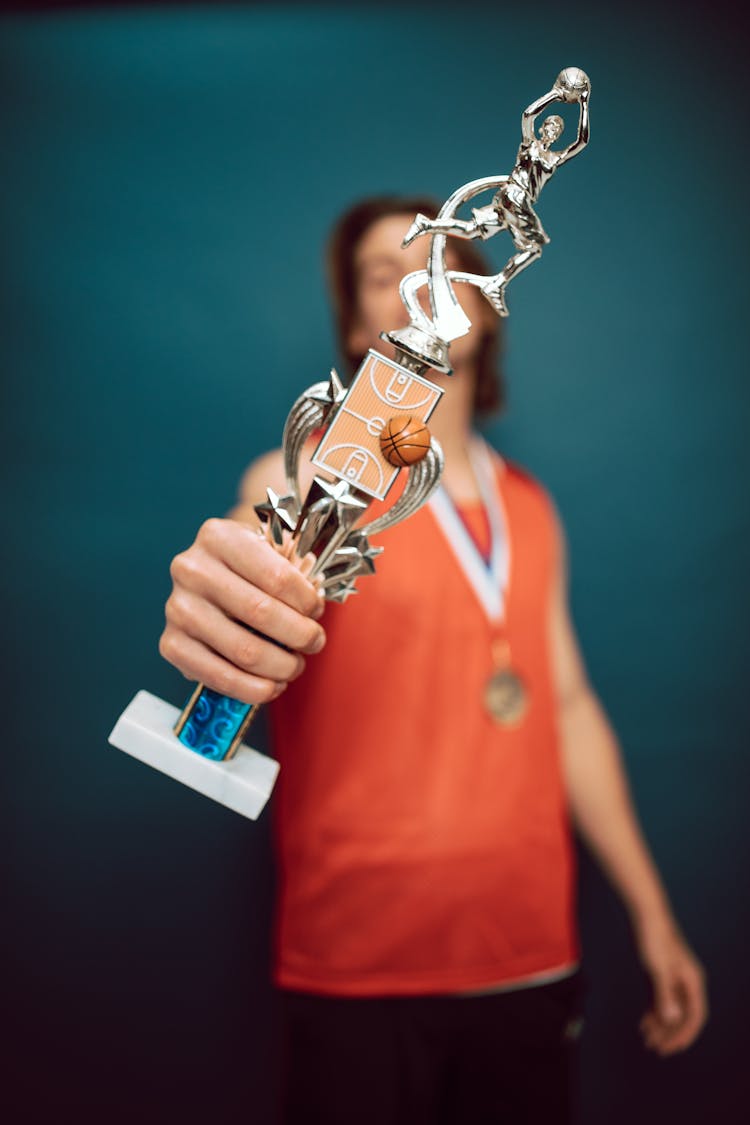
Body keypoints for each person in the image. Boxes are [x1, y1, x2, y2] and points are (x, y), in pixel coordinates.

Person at [159, 195, 707, 1123]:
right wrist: (220, 600)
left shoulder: (532, 509)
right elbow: (246, 579)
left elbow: (566, 706)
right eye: (385, 272)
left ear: (488, 306)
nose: (417, 282)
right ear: (356, 322)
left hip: (529, 948)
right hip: (356, 956)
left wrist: (652, 913)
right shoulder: (301, 486)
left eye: (442, 264)